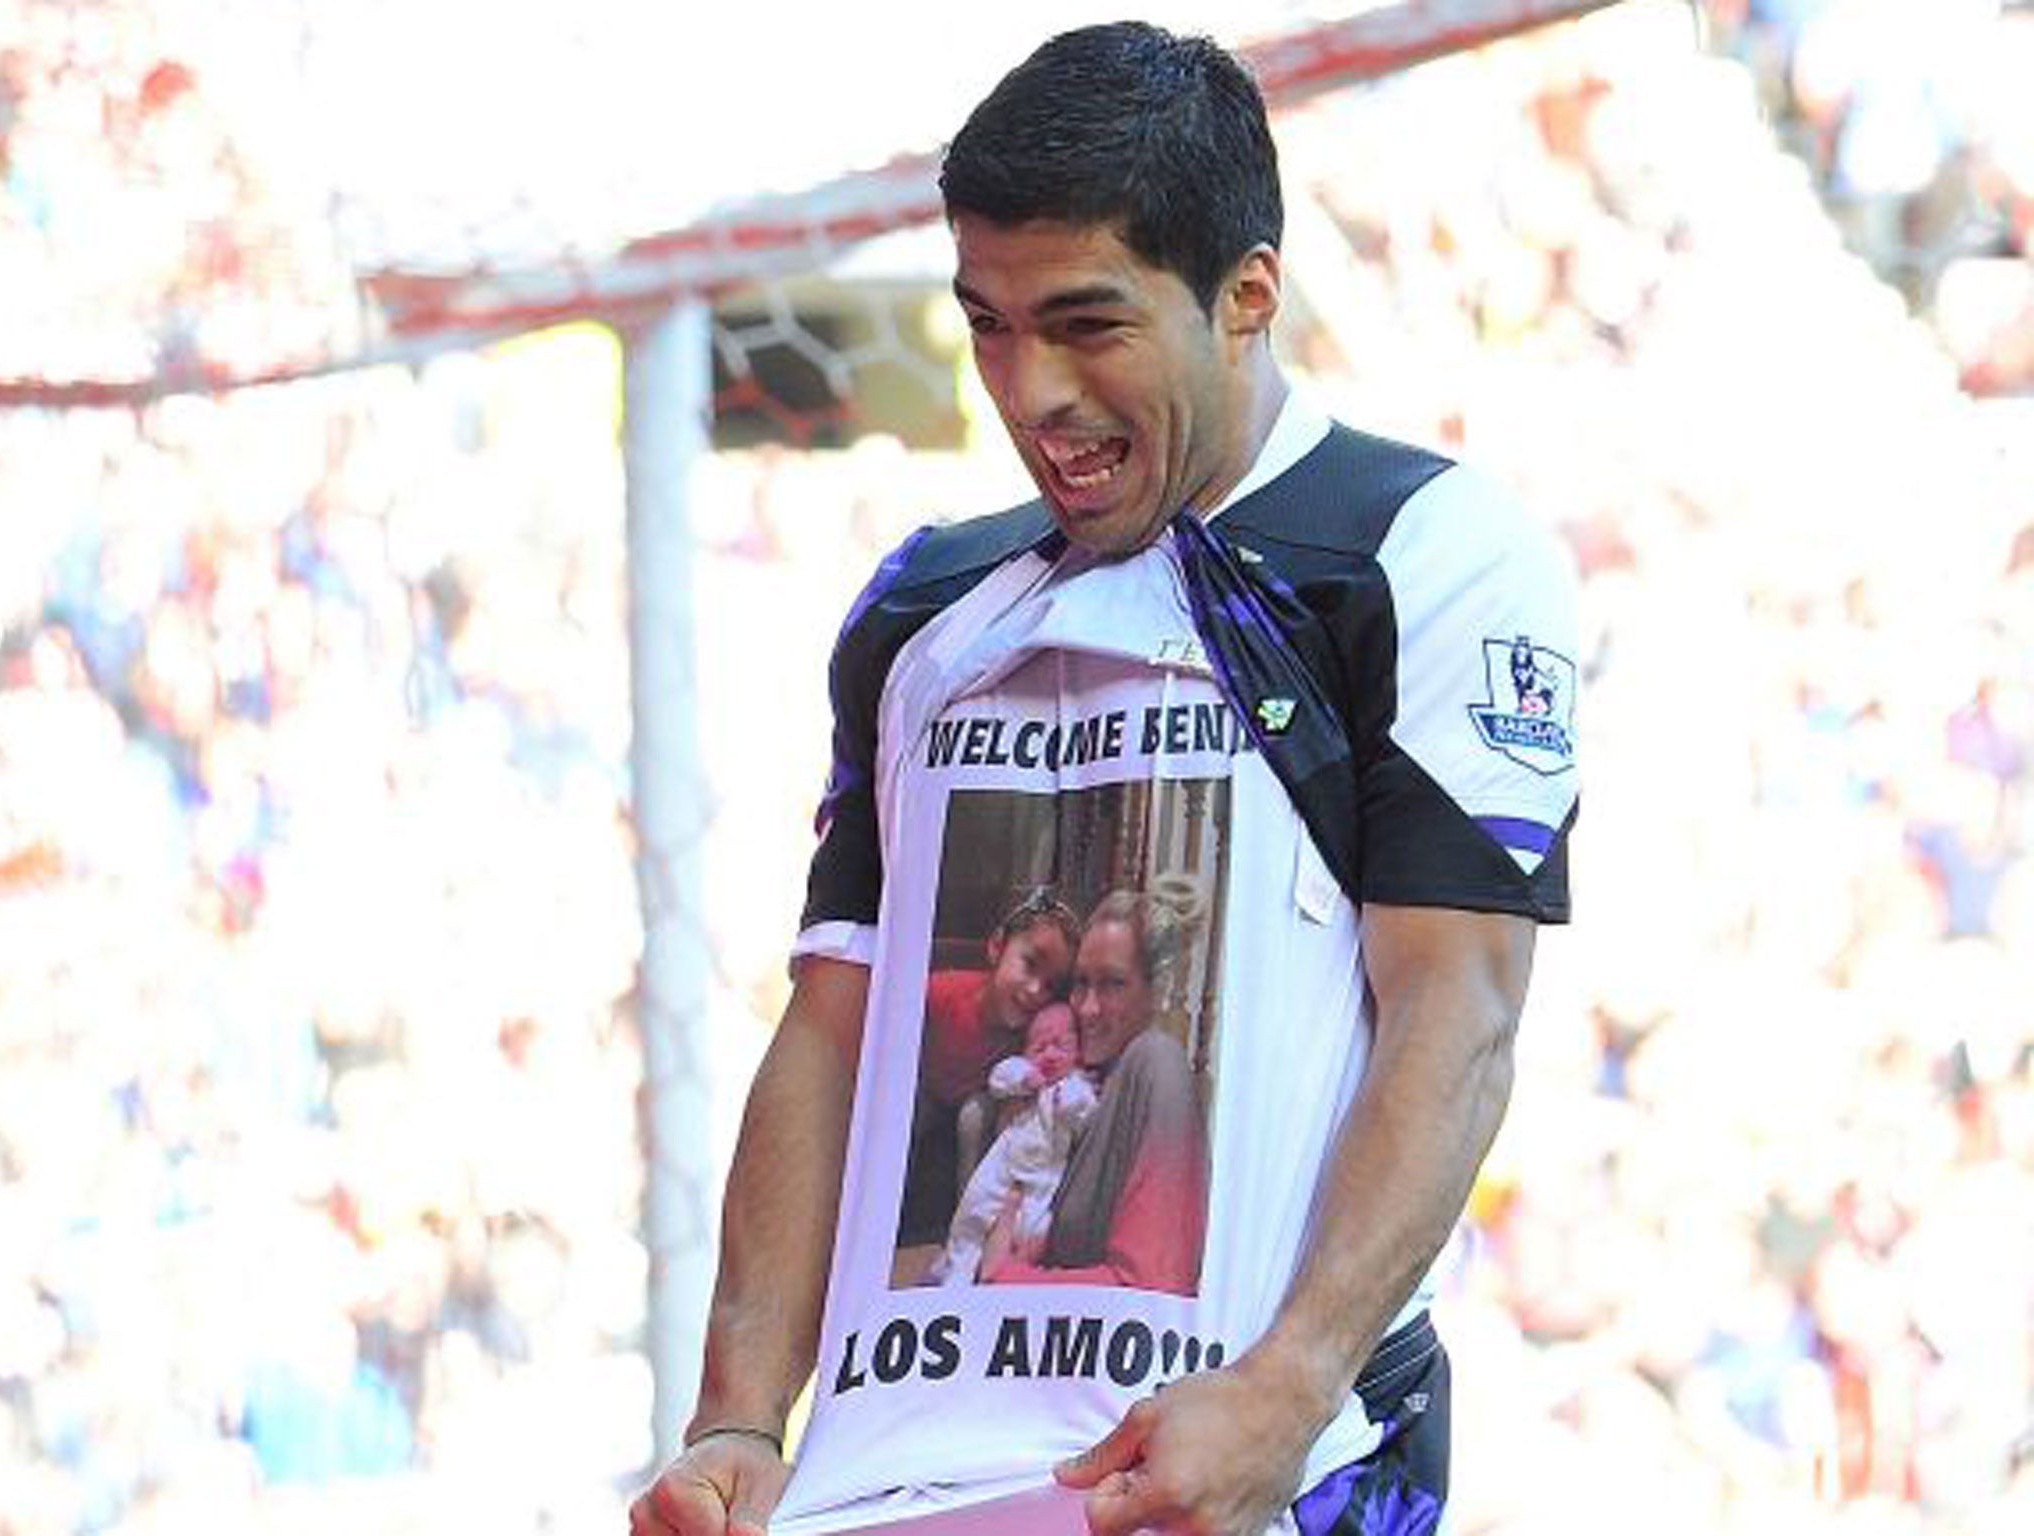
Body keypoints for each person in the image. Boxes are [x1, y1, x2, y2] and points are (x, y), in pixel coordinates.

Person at [632, 20, 1577, 1536]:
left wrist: (1284, 1389)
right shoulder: (922, 613)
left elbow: (1457, 1011)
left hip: (1251, 1478)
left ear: (1249, 294)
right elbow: (833, 1019)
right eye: (990, 324)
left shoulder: (1417, 550)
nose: (1033, 389)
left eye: (1087, 323)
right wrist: (741, 1416)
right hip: (898, 1487)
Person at [980, 883, 1210, 1294]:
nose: (1086, 1007)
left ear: (1155, 991)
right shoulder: (1085, 1079)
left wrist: (1005, 1275)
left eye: (1113, 984)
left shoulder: (1157, 1066)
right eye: (1080, 983)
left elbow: (1150, 1287)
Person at [893, 885, 1080, 1284]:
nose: (1035, 990)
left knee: (976, 1115)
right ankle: (883, 1221)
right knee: (904, 1110)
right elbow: (894, 1019)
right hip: (924, 1088)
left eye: (1050, 985)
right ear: (997, 947)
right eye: (1030, 965)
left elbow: (1036, 1075)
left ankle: (967, 1231)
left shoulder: (1035, 1029)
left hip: (977, 1108)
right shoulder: (944, 992)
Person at [929, 1000, 1097, 1287]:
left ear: (1078, 1053)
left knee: (1036, 1230)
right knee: (972, 1213)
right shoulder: (1024, 1075)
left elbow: (1088, 1116)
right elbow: (999, 1078)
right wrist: (1024, 1078)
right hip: (1003, 1166)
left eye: (1060, 1045)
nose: (1049, 1054)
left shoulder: (1075, 1085)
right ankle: (957, 1269)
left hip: (1045, 1179)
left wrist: (1068, 1104)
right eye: (1039, 1047)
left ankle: (1007, 1273)